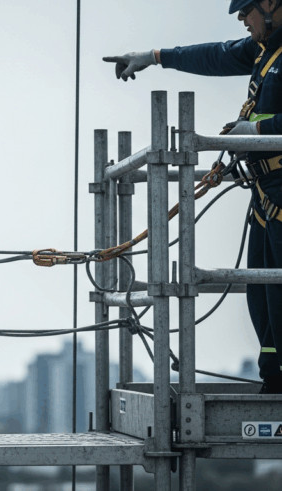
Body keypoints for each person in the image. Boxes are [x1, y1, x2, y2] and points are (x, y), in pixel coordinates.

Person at [104, 1, 282, 395]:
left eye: (247, 9)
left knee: (277, 289)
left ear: (271, 5)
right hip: (267, 195)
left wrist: (258, 130)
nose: (242, 18)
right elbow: (216, 55)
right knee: (264, 294)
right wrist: (153, 57)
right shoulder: (266, 49)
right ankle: (275, 378)